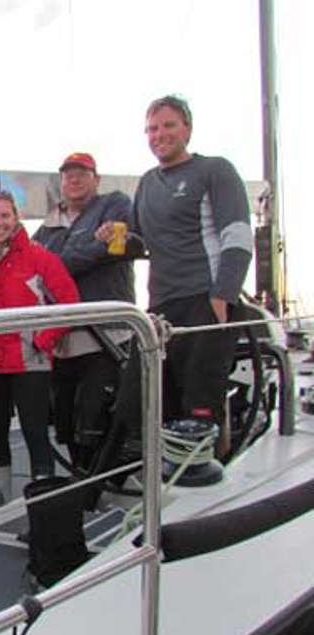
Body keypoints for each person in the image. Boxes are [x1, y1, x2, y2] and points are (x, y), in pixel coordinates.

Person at [97, 95, 252, 429]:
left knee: (199, 410)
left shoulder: (215, 170)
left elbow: (238, 236)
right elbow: (141, 243)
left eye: (168, 125)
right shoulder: (147, 182)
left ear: (188, 129)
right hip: (161, 307)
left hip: (206, 301)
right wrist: (114, 238)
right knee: (135, 407)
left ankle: (208, 456)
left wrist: (223, 295)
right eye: (152, 129)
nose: (159, 135)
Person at [0, 190, 80, 492]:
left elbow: (70, 303)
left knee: (35, 433)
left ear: (16, 218)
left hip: (30, 361)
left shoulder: (40, 257)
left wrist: (44, 340)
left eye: (5, 215)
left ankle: (43, 503)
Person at [33, 152, 134, 472]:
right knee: (65, 421)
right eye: (68, 174)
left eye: (82, 173)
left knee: (97, 417)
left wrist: (56, 264)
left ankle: (101, 479)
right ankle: (83, 479)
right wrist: (86, 250)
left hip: (106, 336)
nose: (74, 179)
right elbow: (32, 268)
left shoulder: (116, 204)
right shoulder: (47, 225)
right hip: (63, 340)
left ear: (96, 179)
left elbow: (112, 248)